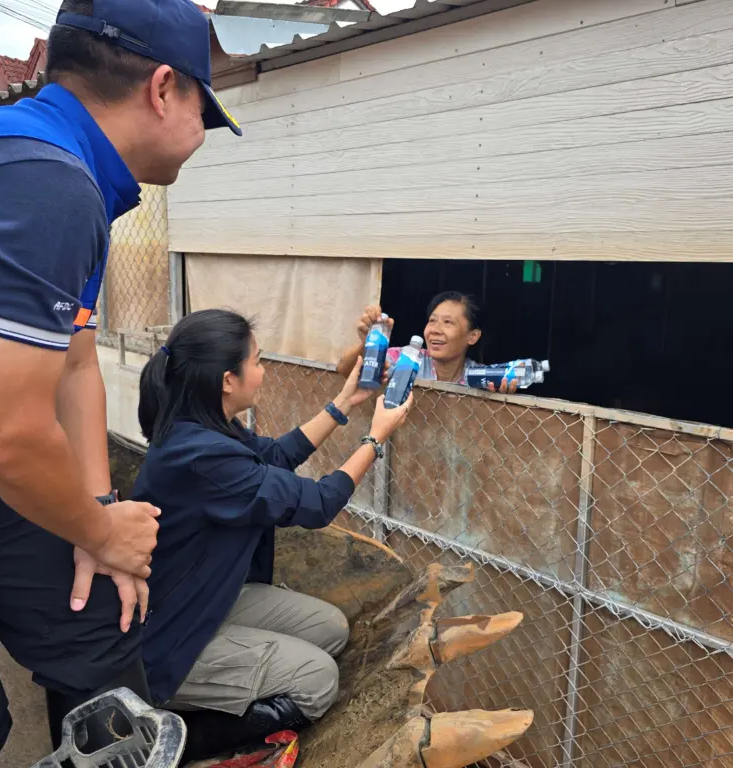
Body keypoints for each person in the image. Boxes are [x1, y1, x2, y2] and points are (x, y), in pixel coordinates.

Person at [0, 0, 242, 763]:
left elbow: (72, 363)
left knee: (100, 640)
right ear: (164, 88)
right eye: (207, 107)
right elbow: (2, 431)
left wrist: (96, 516)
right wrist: (101, 531)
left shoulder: (75, 172)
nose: (204, 135)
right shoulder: (41, 183)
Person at [131, 309, 413, 761]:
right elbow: (319, 503)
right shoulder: (202, 457)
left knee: (330, 629)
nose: (263, 372)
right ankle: (173, 739)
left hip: (206, 599)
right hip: (170, 638)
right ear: (227, 379)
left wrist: (345, 402)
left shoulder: (205, 428)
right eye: (258, 361)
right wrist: (375, 440)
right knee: (319, 681)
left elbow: (277, 456)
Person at [336, 290, 519, 393]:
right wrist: (367, 344)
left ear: (473, 336)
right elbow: (344, 370)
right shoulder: (404, 358)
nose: (435, 330)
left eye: (448, 322)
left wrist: (501, 397)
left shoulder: (479, 376)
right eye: (432, 321)